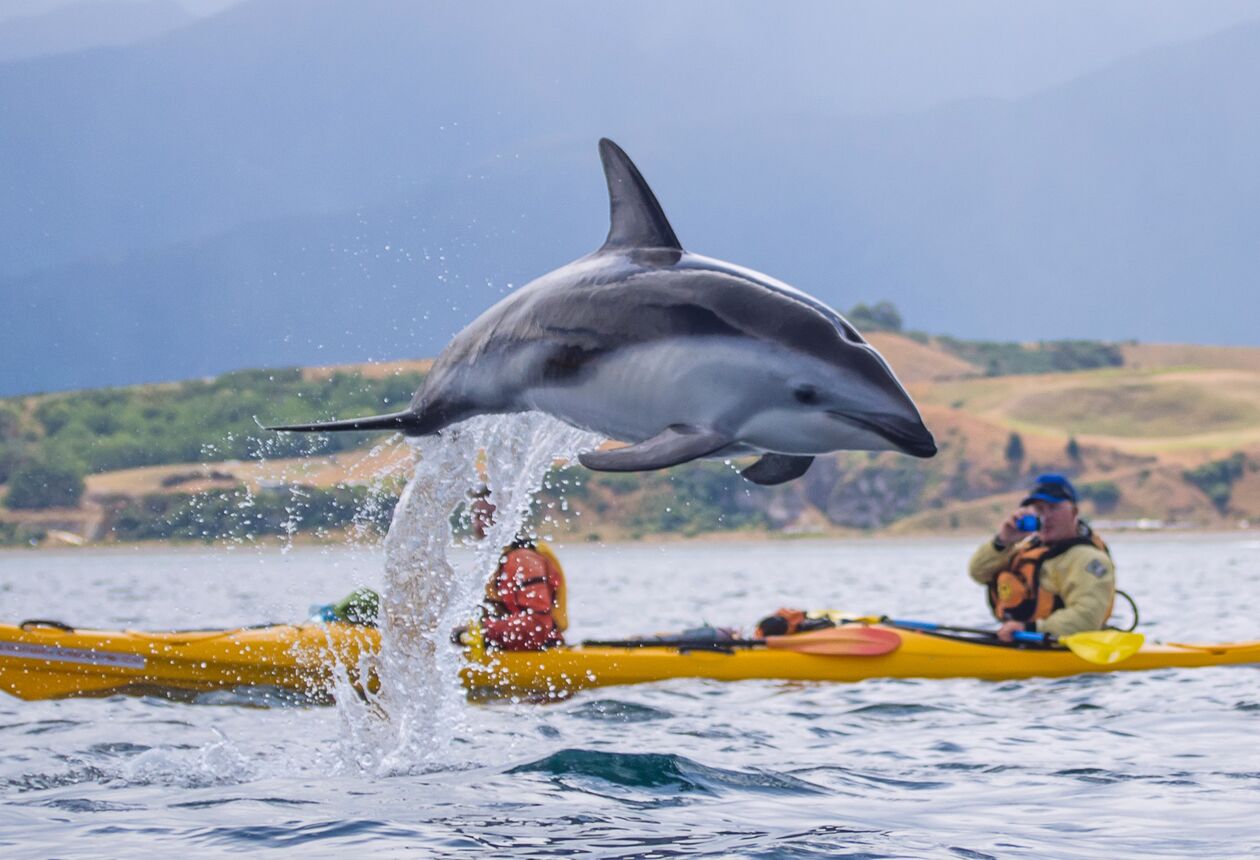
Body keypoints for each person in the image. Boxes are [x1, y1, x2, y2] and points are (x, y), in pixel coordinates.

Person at [969, 473, 1115, 642]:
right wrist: (1002, 541)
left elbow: (1086, 617)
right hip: (1020, 640)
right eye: (1039, 509)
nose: (1045, 517)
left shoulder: (1090, 559)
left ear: (1074, 512)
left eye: (1052, 508)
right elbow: (978, 572)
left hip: (1060, 646)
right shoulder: (1027, 548)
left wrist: (1032, 629)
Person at [465, 487, 568, 651]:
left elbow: (538, 626)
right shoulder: (495, 562)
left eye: (489, 516)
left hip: (540, 657)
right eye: (477, 516)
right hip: (505, 651)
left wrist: (482, 632)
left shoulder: (523, 560)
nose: (480, 524)